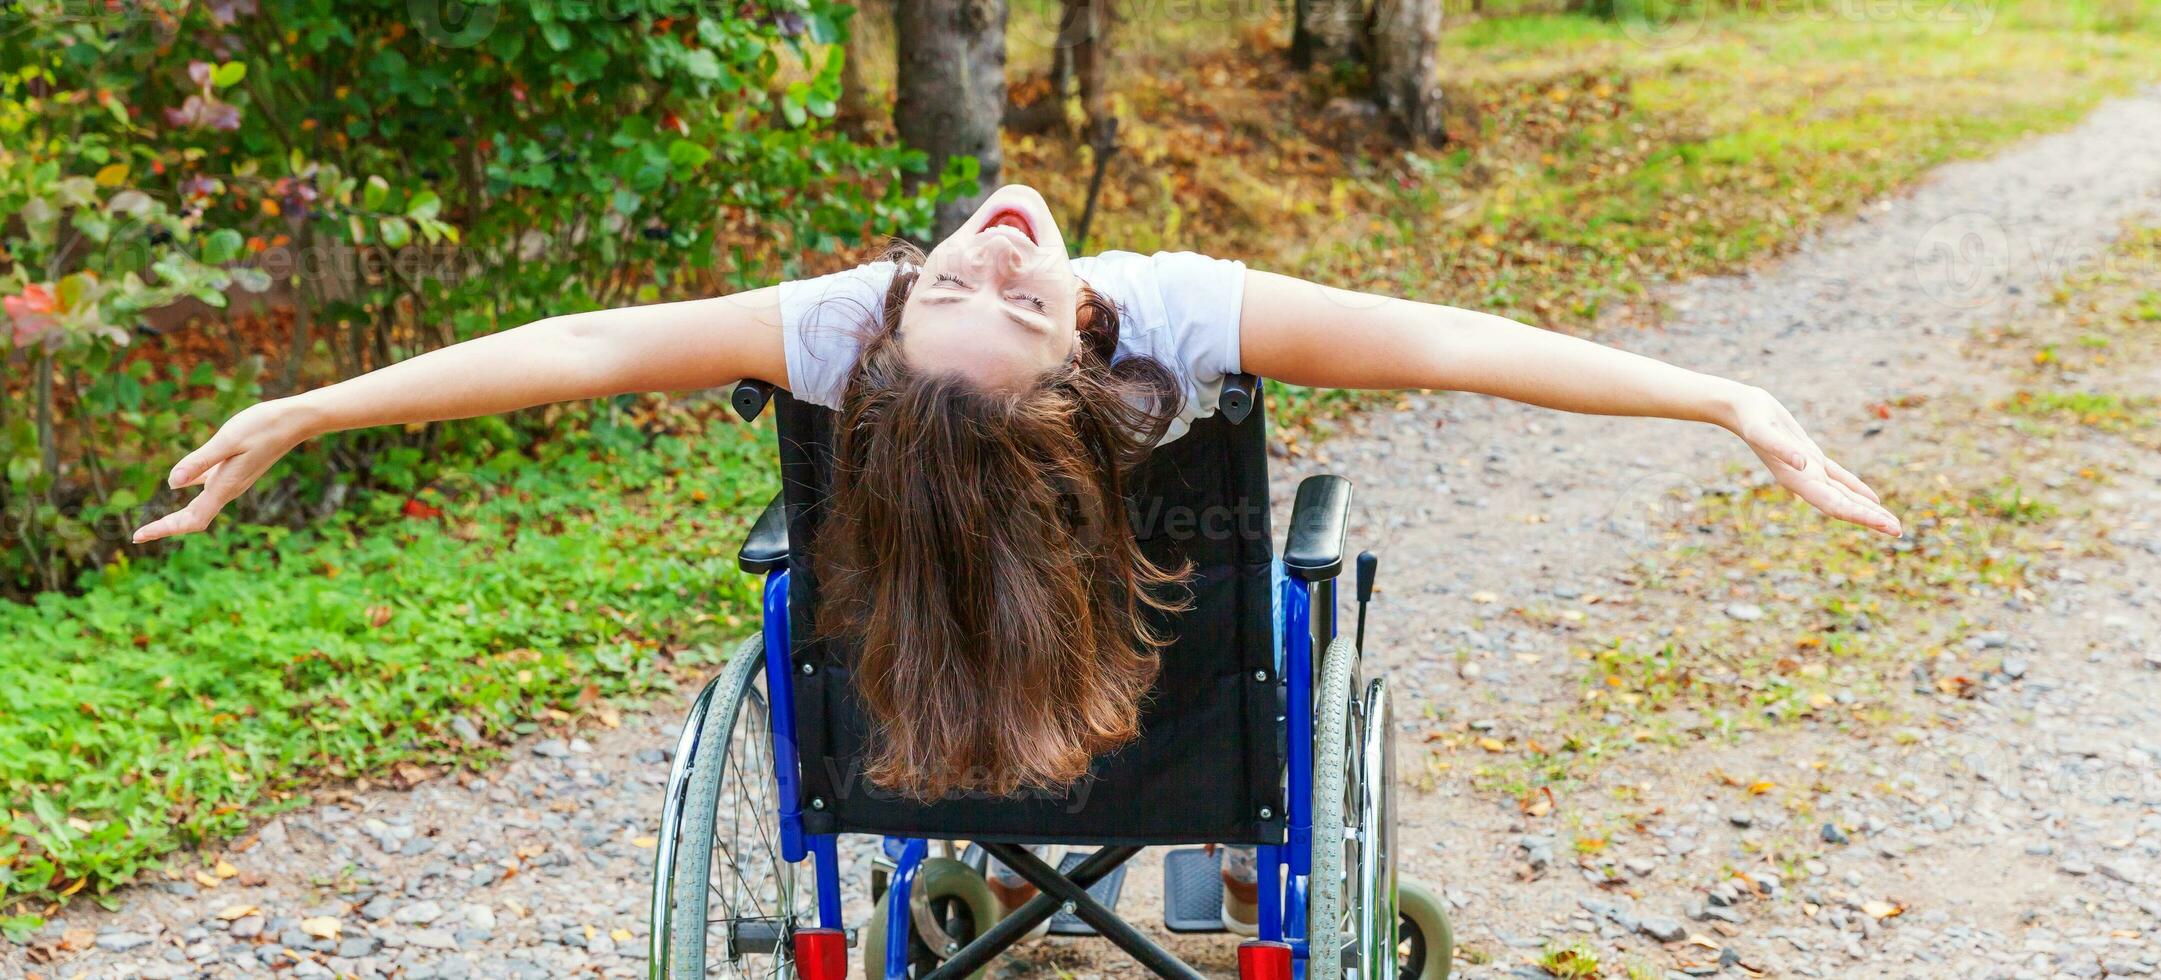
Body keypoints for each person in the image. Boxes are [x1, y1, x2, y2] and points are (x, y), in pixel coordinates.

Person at [138, 182, 1899, 929]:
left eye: (986, 291)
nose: (992, 251)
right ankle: (1202, 873)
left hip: (921, 716)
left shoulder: (843, 329)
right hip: (1162, 718)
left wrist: (1718, 395)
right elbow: (1441, 347)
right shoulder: (1170, 317)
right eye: (981, 287)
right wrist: (310, 410)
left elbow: (592, 345)